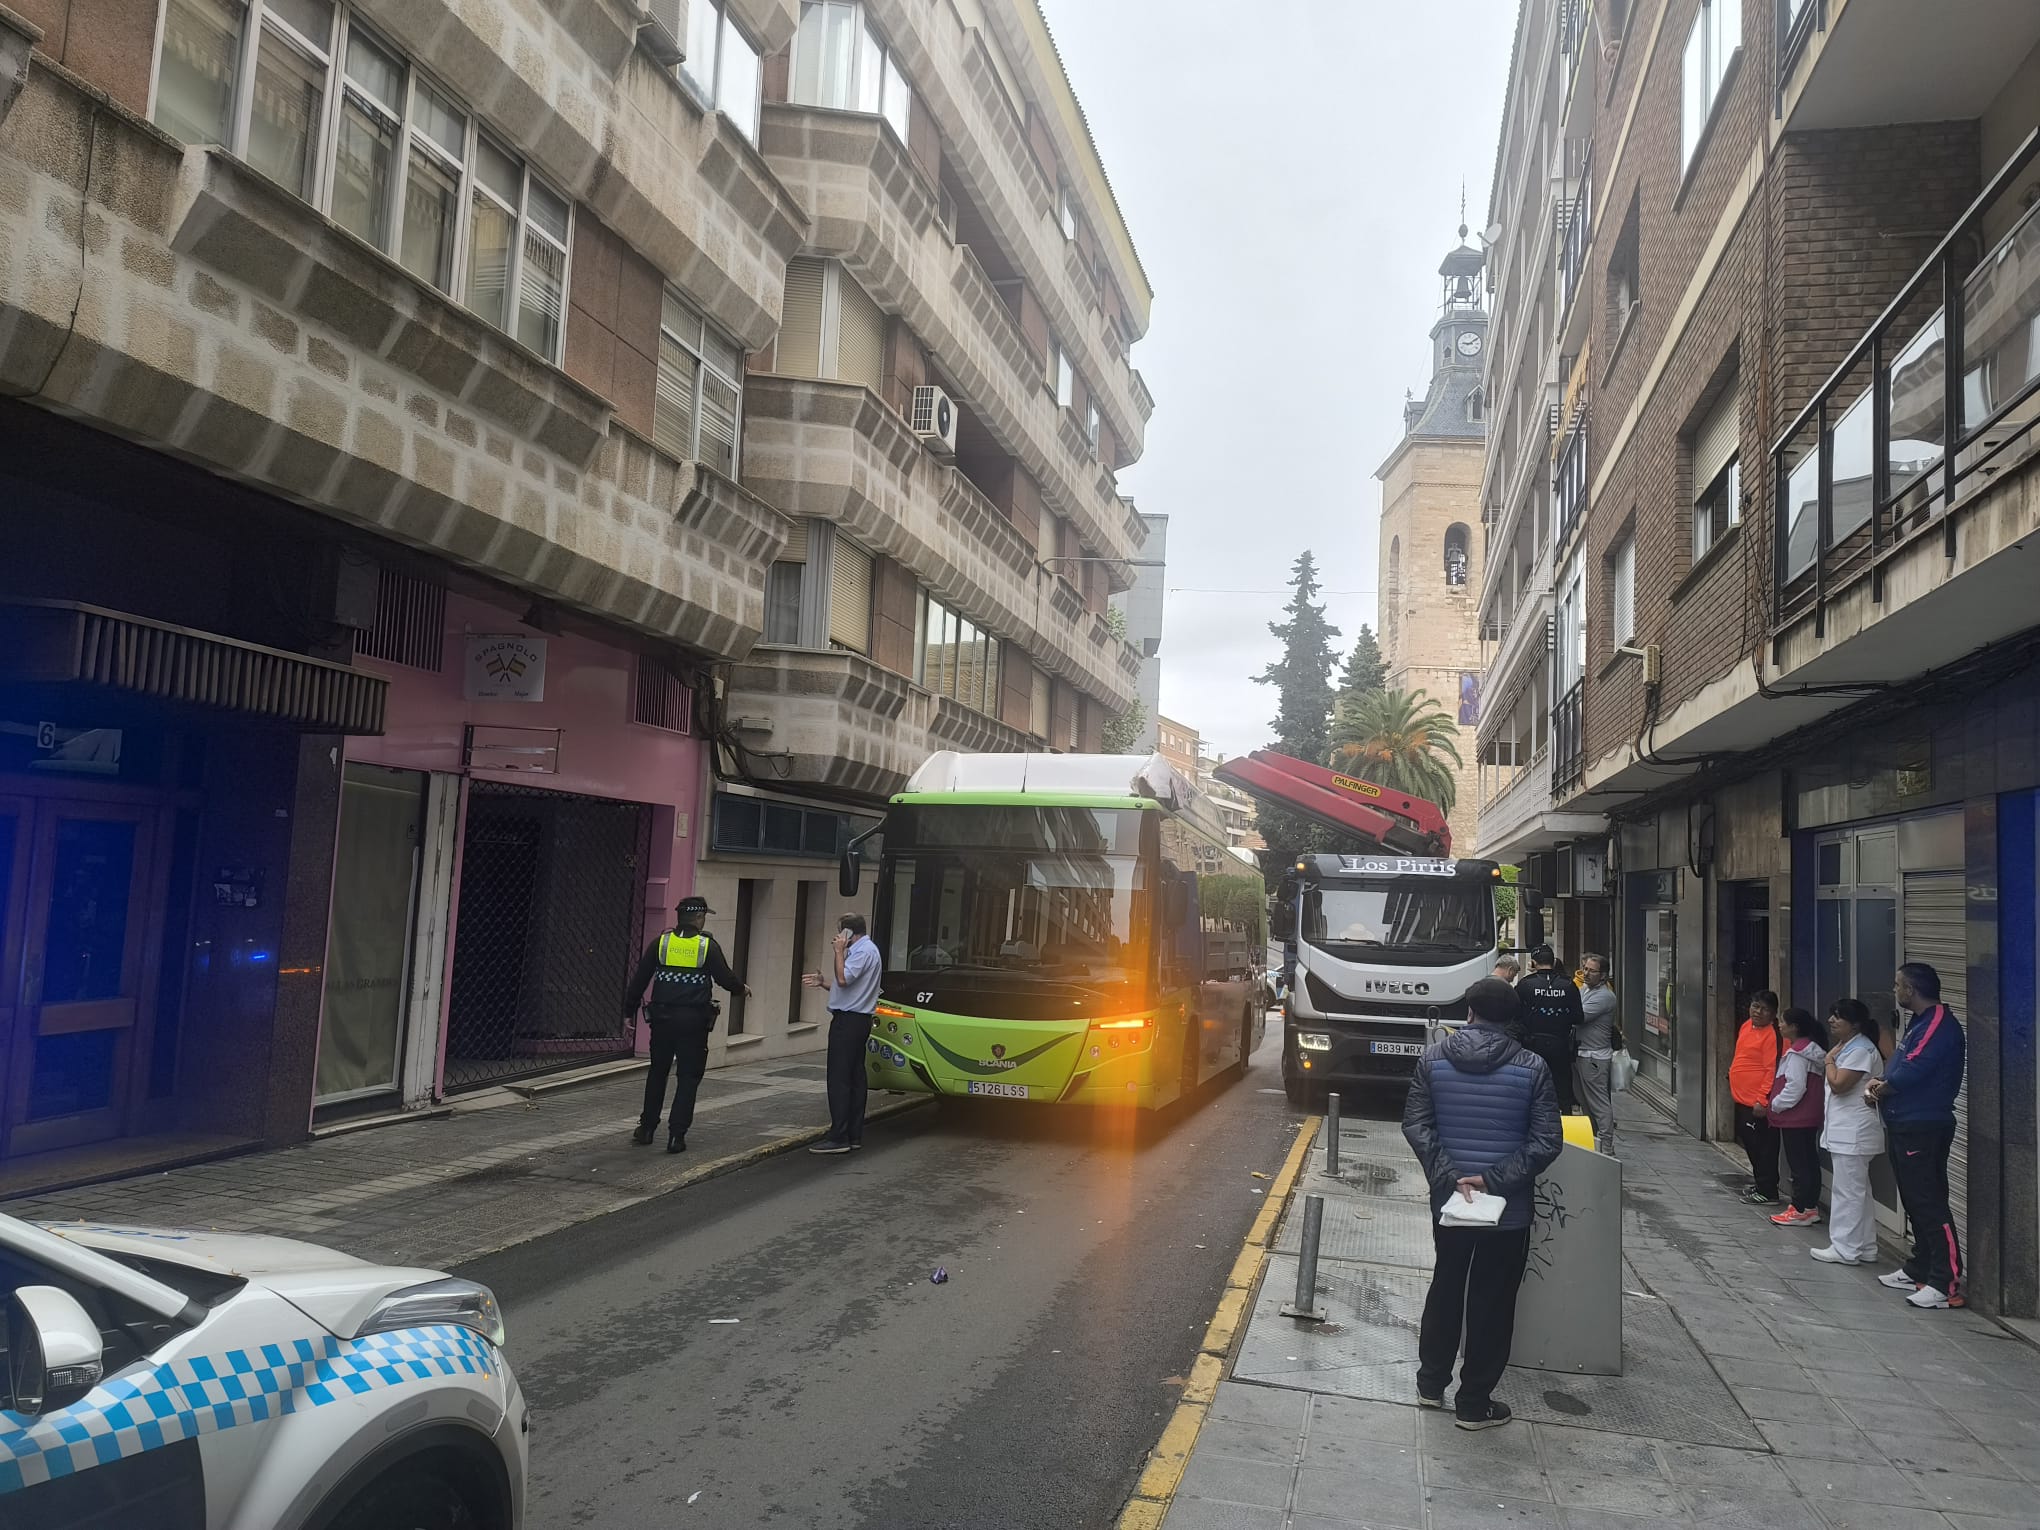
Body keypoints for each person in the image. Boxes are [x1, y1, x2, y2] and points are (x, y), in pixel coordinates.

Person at [1402, 977, 1562, 1431]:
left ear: (1469, 1012)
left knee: (1446, 1286)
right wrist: (1492, 1180)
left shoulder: (1432, 1059)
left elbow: (1416, 1124)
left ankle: (1430, 1384)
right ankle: (1473, 1403)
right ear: (1510, 1018)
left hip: (1450, 1204)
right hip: (1506, 1213)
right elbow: (1547, 1141)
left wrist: (1450, 1176)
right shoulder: (1533, 1067)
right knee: (1491, 1301)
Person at [1866, 963, 1967, 1308]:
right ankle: (1919, 1266)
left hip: (1923, 1125)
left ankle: (1946, 1281)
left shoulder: (1939, 1023)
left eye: (1898, 986)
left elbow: (1913, 1070)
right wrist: (1880, 1086)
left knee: (1928, 1201)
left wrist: (1881, 1090)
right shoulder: (1920, 1023)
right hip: (1903, 1122)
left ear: (1911, 990)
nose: (1895, 991)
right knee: (1913, 1199)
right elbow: (1899, 1064)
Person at [621, 895, 748, 1153]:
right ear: (700, 918)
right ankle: (676, 1137)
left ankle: (646, 1129)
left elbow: (639, 980)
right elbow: (726, 978)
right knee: (688, 1077)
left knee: (658, 1073)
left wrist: (628, 1011)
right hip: (693, 1022)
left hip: (662, 1020)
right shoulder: (706, 947)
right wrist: (741, 990)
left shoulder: (661, 943)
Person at [803, 912, 883, 1155]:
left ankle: (839, 1136)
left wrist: (838, 952)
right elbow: (847, 987)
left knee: (839, 1079)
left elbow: (844, 978)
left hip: (848, 1022)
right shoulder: (867, 950)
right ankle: (853, 1134)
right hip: (858, 1019)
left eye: (840, 932)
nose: (837, 937)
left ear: (848, 933)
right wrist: (823, 982)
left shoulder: (861, 951)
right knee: (855, 1078)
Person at [1813, 999, 1884, 1266]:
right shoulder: (1850, 1046)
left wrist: (1829, 1061)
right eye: (1832, 1015)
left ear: (1854, 1023)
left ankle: (1844, 1248)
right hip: (1847, 1130)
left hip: (1853, 1131)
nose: (1831, 1020)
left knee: (1847, 1192)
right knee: (1858, 1191)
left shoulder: (1861, 1049)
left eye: (1838, 1017)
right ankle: (1865, 1247)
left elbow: (1840, 1084)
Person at [1767, 1009, 1828, 1228]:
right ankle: (1808, 1207)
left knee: (1799, 1164)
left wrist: (1776, 1104)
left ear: (1794, 1027)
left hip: (1796, 1116)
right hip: (1808, 1116)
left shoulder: (1798, 1055)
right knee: (1809, 1161)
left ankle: (1801, 1208)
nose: (1779, 1025)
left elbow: (1795, 1086)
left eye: (1783, 1022)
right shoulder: (1811, 1051)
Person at [1729, 991, 1784, 1206]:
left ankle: (1768, 1190)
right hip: (1742, 1098)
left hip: (1758, 1103)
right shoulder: (1747, 1026)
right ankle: (1761, 1183)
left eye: (1764, 1009)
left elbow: (1773, 1069)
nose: (1758, 1012)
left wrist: (1764, 1099)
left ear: (1773, 1013)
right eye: (1755, 1006)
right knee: (1751, 1144)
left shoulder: (1773, 1035)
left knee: (1764, 1147)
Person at [1515, 946, 1583, 1115]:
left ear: (1533, 962)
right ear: (1553, 962)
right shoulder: (1568, 985)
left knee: (1530, 1084)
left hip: (1531, 1045)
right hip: (1560, 1045)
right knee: (1562, 1086)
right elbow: (1578, 1017)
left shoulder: (1525, 984)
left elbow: (1514, 1014)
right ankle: (1565, 1118)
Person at [1573, 953, 1619, 1152]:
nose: (1586, 973)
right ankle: (1592, 1141)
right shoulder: (1585, 989)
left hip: (1594, 1057)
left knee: (1598, 1103)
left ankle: (1607, 1145)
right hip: (1581, 1053)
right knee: (1584, 1102)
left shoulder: (1604, 996)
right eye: (1585, 968)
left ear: (1603, 975)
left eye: (1592, 970)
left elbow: (1578, 1016)